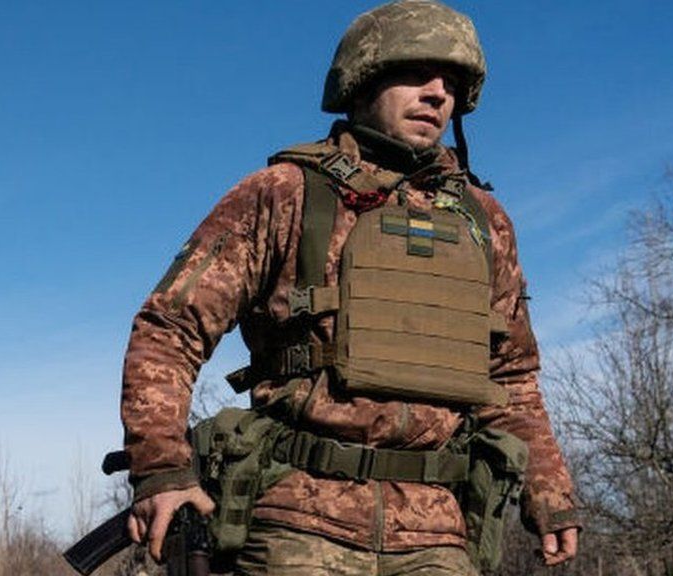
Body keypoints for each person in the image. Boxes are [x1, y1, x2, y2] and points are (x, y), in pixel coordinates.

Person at [120, 1, 580, 574]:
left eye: (452, 83)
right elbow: (170, 327)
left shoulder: (483, 221)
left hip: (438, 531)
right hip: (297, 521)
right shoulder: (284, 193)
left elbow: (511, 375)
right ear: (362, 80)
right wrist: (160, 466)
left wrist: (549, 490)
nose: (437, 93)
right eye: (416, 73)